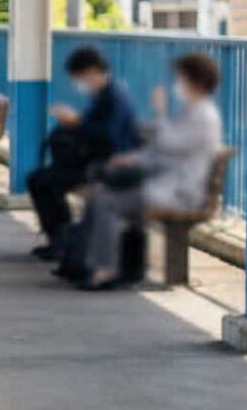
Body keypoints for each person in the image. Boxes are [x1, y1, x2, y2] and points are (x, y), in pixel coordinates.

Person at [72, 51, 225, 289]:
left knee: (104, 201)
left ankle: (105, 270)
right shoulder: (192, 112)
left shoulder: (204, 116)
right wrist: (130, 159)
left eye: (181, 79)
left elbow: (168, 143)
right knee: (100, 196)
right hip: (168, 184)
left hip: (180, 193)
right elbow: (162, 152)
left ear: (196, 83)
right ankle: (96, 265)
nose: (177, 85)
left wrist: (160, 112)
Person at [26, 45, 139, 261]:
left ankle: (63, 242)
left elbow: (109, 138)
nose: (79, 84)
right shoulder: (104, 95)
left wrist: (76, 121)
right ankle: (59, 239)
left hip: (108, 166)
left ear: (92, 71)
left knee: (47, 182)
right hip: (94, 160)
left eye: (79, 78)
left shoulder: (114, 97)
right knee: (39, 179)